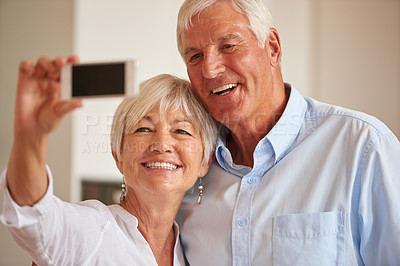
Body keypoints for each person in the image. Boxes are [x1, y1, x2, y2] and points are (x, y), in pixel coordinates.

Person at [175, 0, 400, 265]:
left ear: (272, 48)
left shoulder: (364, 146)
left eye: (228, 45)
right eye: (195, 56)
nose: (210, 69)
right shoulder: (189, 167)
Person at [0, 56, 218, 265]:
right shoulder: (92, 230)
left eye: (181, 130)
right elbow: (35, 216)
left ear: (205, 161)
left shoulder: (193, 253)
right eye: (143, 128)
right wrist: (30, 136)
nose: (161, 144)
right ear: (118, 155)